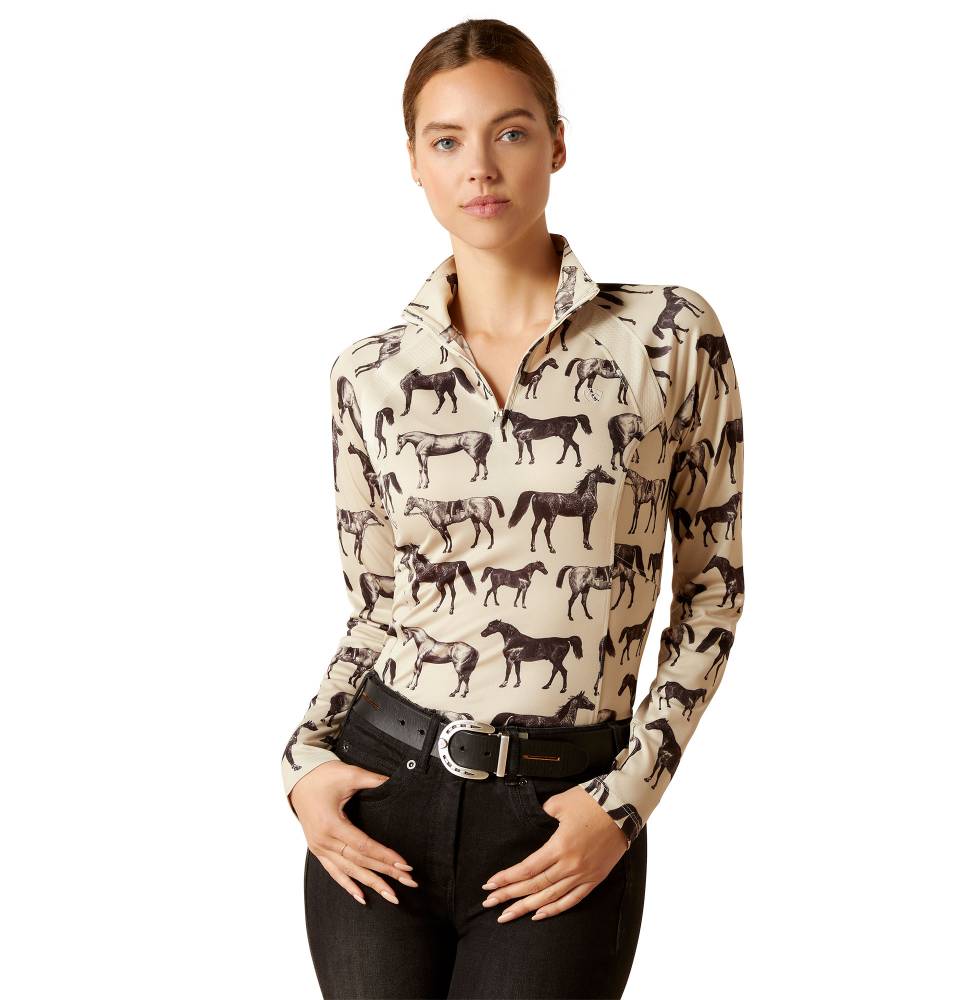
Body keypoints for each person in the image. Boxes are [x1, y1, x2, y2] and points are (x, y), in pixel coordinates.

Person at [281, 18, 745, 1000]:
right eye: (446, 139)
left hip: (563, 813)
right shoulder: (369, 374)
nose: (479, 166)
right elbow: (376, 609)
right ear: (413, 161)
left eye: (511, 131)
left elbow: (712, 593)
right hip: (382, 796)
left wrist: (626, 800)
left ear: (557, 143)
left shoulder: (668, 335)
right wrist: (303, 765)